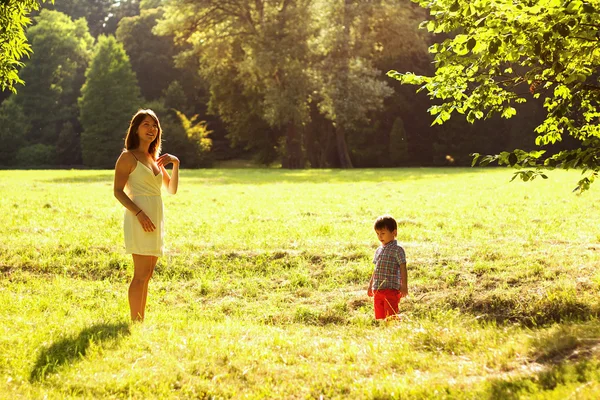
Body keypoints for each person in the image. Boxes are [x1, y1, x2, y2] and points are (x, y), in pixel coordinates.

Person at [113, 109, 180, 321]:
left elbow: (171, 190)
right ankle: (135, 321)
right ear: (136, 129)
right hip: (139, 217)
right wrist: (139, 213)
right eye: (146, 125)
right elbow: (117, 191)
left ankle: (140, 320)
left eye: (155, 125)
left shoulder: (154, 158)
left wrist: (175, 164)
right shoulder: (128, 157)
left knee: (148, 274)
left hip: (156, 216)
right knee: (140, 274)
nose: (152, 129)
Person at [367, 215, 408, 320]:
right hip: (378, 289)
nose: (380, 236)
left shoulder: (397, 250)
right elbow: (376, 269)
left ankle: (393, 331)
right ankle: (382, 332)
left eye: (383, 233)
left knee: (391, 316)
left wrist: (404, 285)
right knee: (379, 317)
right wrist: (371, 284)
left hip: (391, 289)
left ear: (394, 233)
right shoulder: (378, 250)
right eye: (377, 233)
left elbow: (403, 268)